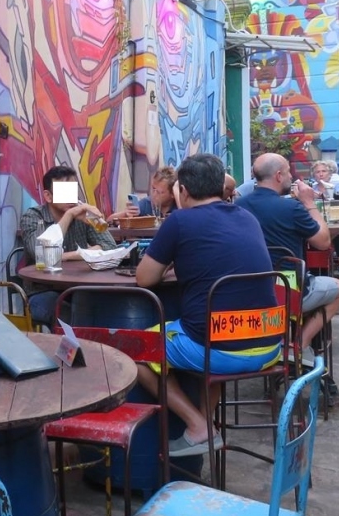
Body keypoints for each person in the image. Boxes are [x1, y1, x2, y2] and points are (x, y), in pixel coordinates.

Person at [136, 153, 282, 456]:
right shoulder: (246, 217)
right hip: (270, 345)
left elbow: (145, 279)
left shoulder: (179, 221)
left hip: (221, 351)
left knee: (138, 349)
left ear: (183, 191)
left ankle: (198, 425)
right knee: (210, 331)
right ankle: (206, 423)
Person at [235, 153, 339, 356]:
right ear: (278, 176)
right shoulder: (292, 208)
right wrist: (309, 203)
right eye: (288, 172)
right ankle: (300, 344)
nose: (291, 177)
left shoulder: (238, 206)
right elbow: (323, 242)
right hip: (288, 290)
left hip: (248, 289)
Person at [20, 165, 117, 324]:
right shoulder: (33, 217)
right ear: (48, 196)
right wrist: (69, 215)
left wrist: (66, 256)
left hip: (77, 287)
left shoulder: (82, 214)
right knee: (69, 313)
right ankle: (74, 340)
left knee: (104, 303)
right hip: (42, 291)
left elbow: (110, 246)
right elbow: (42, 255)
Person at [113, 165, 177, 220]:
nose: (154, 194)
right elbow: (110, 220)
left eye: (159, 192)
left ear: (172, 193)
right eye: (153, 189)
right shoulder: (146, 204)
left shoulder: (178, 206)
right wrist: (126, 214)